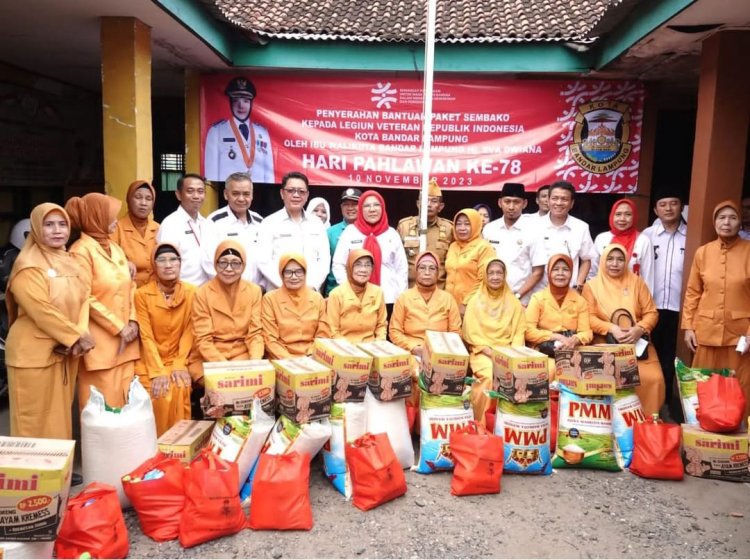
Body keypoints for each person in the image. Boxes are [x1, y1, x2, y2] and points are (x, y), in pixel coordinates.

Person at [5, 203, 94, 439]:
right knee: (33, 417)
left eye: (62, 224)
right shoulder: (27, 265)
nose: (57, 230)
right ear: (36, 228)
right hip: (32, 354)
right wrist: (76, 336)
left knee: (59, 414)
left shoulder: (70, 261)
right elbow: (40, 309)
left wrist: (79, 333)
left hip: (63, 351)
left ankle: (57, 468)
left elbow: (84, 297)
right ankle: (34, 471)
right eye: (49, 224)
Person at [66, 193, 139, 409]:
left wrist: (133, 321)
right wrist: (118, 327)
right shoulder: (80, 252)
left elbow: (131, 286)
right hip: (101, 344)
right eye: (111, 216)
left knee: (128, 407)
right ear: (97, 217)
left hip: (128, 342)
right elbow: (84, 297)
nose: (116, 221)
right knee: (103, 412)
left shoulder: (114, 247)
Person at [682, 200, 750, 420]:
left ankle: (740, 439)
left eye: (732, 217)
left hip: (740, 336)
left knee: (739, 388)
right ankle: (701, 438)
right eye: (721, 218)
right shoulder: (703, 253)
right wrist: (689, 327)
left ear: (740, 222)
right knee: (703, 385)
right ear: (714, 222)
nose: (727, 223)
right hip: (706, 332)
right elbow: (693, 292)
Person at [583, 244, 665, 416]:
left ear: (626, 262)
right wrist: (611, 328)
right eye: (610, 259)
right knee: (606, 377)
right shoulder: (591, 286)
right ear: (603, 261)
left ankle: (648, 423)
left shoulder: (637, 282)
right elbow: (588, 317)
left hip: (637, 343)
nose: (615, 264)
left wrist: (639, 329)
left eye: (620, 260)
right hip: (605, 342)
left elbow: (651, 312)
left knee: (653, 378)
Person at [134, 243, 195, 436]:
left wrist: (179, 364)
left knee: (181, 385)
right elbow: (146, 335)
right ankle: (157, 446)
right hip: (149, 361)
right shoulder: (142, 295)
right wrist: (158, 371)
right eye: (161, 260)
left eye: (173, 259)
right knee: (159, 392)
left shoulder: (193, 292)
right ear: (153, 265)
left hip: (179, 358)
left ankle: (179, 446)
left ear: (180, 263)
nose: (168, 265)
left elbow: (190, 332)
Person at [188, 240, 264, 382]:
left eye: (235, 263)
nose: (229, 269)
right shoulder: (202, 293)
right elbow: (203, 340)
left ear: (244, 266)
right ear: (215, 264)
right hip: (208, 358)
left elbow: (255, 334)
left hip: (242, 354)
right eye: (223, 263)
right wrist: (226, 369)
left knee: (250, 382)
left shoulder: (254, 291)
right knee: (221, 386)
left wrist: (255, 363)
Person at [462, 257, 526, 423]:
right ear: (485, 276)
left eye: (499, 273)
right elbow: (472, 336)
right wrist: (493, 354)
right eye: (491, 273)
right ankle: (481, 424)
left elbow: (519, 332)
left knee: (521, 375)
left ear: (505, 275)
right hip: (483, 353)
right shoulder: (475, 302)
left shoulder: (513, 303)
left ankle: (510, 425)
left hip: (509, 354)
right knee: (490, 376)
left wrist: (512, 357)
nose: (495, 277)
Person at [642, 188, 687, 421]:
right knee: (650, 356)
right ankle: (649, 406)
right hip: (652, 307)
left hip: (678, 308)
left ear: (681, 206)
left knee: (670, 359)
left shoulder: (691, 235)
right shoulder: (647, 236)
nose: (668, 208)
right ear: (655, 209)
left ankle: (667, 406)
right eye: (663, 204)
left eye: (674, 203)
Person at [332, 190, 408, 311]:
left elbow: (401, 269)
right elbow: (338, 264)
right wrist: (348, 290)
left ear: (383, 208)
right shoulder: (350, 232)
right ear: (361, 209)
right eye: (367, 205)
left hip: (387, 298)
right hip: (355, 298)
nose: (372, 209)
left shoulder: (392, 234)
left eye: (376, 205)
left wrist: (400, 297)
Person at [257, 171, 330, 291]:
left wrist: (312, 286)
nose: (296, 195)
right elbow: (263, 261)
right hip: (279, 292)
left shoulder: (317, 224)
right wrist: (287, 285)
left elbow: (324, 260)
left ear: (307, 195)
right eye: (291, 191)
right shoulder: (269, 223)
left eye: (301, 191)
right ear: (282, 193)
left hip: (310, 293)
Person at [525, 254, 593, 376]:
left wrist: (575, 339)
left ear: (571, 273)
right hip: (544, 351)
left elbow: (587, 332)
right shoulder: (538, 298)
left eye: (565, 269)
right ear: (549, 273)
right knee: (551, 370)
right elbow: (528, 331)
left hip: (572, 349)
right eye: (555, 269)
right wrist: (555, 337)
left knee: (583, 368)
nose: (560, 273)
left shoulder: (579, 301)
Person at [389, 251, 462, 359]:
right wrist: (413, 347)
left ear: (438, 273)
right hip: (410, 353)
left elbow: (455, 332)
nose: (427, 272)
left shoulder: (448, 299)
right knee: (413, 373)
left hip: (441, 353)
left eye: (432, 268)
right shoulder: (404, 298)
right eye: (422, 268)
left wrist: (441, 350)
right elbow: (394, 331)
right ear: (416, 271)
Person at [483, 182, 545, 305]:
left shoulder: (534, 230)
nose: (511, 207)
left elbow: (538, 271)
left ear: (524, 203)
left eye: (516, 202)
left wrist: (517, 295)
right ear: (500, 203)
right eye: (507, 201)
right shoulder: (489, 229)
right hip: (491, 298)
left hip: (521, 300)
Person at [204, 76, 274, 183]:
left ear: (251, 104)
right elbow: (211, 175)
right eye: (236, 101)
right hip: (229, 193)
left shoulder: (262, 133)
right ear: (230, 103)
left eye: (246, 101)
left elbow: (269, 175)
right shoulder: (216, 131)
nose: (241, 106)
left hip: (258, 193)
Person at [262, 253, 330, 359]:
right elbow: (270, 339)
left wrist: (311, 355)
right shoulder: (270, 299)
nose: (294, 277)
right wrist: (290, 361)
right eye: (288, 272)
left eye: (299, 272)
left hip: (313, 357)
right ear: (281, 274)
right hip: (281, 359)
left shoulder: (317, 298)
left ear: (305, 273)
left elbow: (323, 334)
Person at [535, 181, 596, 293]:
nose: (559, 203)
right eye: (555, 198)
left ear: (572, 203)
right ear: (548, 201)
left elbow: (586, 259)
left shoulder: (581, 227)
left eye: (564, 199)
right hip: (539, 293)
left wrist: (579, 284)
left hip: (569, 293)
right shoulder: (534, 226)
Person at [157, 174, 217, 286]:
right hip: (182, 292)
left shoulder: (207, 224)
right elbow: (166, 263)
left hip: (206, 293)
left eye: (200, 191)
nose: (196, 196)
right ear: (178, 195)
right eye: (190, 191)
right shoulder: (170, 224)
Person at [208, 172, 264, 285]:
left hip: (256, 293)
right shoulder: (214, 222)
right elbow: (208, 262)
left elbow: (266, 259)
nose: (241, 198)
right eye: (235, 193)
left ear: (252, 195)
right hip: (226, 291)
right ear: (225, 194)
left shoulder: (260, 222)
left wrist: (262, 286)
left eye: (246, 194)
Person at [397, 179, 454, 289]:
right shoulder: (404, 226)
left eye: (433, 201)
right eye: (425, 200)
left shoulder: (449, 229)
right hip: (409, 290)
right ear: (418, 204)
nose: (428, 204)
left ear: (441, 206)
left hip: (438, 291)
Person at [591, 198, 655, 293]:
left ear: (634, 216)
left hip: (633, 296)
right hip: (604, 295)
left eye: (628, 214)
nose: (622, 219)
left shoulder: (643, 240)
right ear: (612, 216)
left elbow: (648, 277)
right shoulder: (601, 239)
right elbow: (593, 272)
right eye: (618, 214)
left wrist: (645, 303)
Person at [326, 249, 387, 343]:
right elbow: (333, 331)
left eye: (367, 265)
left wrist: (379, 343)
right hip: (345, 349)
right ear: (350, 267)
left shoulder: (377, 292)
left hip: (372, 347)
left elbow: (381, 325)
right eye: (358, 264)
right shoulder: (336, 294)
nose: (363, 270)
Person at [111, 180, 160, 288]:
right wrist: (123, 263)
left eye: (148, 199)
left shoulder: (158, 228)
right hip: (129, 292)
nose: (143, 203)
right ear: (129, 200)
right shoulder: (116, 229)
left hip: (155, 293)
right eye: (138, 197)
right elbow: (109, 260)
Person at [444, 208, 495, 309]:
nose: (462, 228)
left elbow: (484, 280)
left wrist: (466, 304)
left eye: (467, 224)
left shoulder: (484, 247)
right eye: (458, 224)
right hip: (449, 305)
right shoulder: (453, 246)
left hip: (473, 306)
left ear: (476, 225)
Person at [324, 188, 361, 295]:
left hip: (363, 290)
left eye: (354, 204)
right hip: (335, 289)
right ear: (341, 207)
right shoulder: (330, 232)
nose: (350, 208)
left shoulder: (369, 232)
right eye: (346, 204)